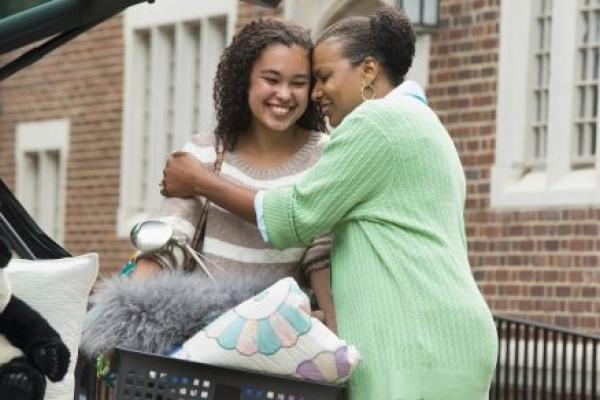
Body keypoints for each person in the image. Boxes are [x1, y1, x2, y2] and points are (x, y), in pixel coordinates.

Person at [161, 7, 498, 400]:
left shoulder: (375, 124)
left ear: (368, 71)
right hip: (449, 338)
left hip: (410, 341)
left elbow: (293, 217)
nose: (316, 93)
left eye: (323, 77)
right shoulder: (424, 123)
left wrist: (201, 181)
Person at [134, 18, 336, 331]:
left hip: (279, 341)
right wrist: (129, 312)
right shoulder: (203, 152)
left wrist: (335, 331)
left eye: (298, 83)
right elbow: (168, 243)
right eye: (271, 79)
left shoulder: (325, 155)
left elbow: (320, 255)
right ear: (245, 80)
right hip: (201, 336)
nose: (284, 94)